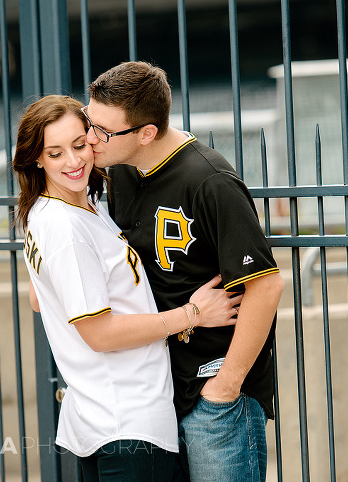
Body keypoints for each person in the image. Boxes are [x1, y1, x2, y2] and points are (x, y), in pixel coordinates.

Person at [12, 94, 241, 482]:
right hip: (126, 421)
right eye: (55, 153)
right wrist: (193, 314)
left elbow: (40, 298)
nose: (73, 161)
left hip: (104, 417)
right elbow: (99, 334)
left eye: (79, 145)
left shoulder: (66, 207)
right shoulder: (67, 227)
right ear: (36, 158)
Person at [83, 61, 285, 482]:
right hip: (156, 393)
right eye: (89, 121)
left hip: (214, 396)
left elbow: (266, 286)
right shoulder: (119, 170)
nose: (90, 139)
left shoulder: (210, 180)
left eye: (102, 131)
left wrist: (226, 386)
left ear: (146, 133)